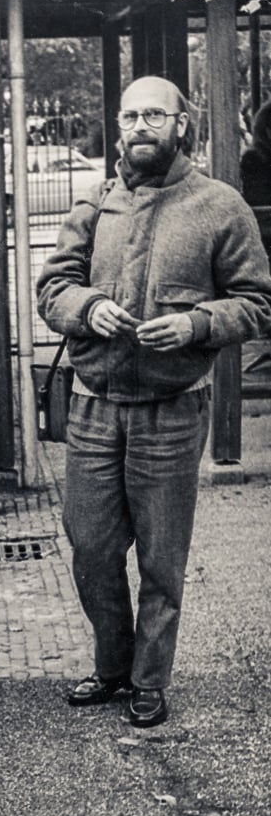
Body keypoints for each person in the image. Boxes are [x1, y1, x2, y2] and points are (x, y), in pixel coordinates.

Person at [37, 75, 271, 728]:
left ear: (181, 124)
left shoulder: (220, 206)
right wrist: (88, 307)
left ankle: (146, 678)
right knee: (88, 548)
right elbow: (52, 287)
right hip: (91, 406)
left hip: (172, 409)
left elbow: (257, 302)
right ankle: (111, 666)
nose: (140, 127)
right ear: (118, 126)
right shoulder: (94, 205)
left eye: (153, 116)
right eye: (129, 116)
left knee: (161, 557)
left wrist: (197, 324)